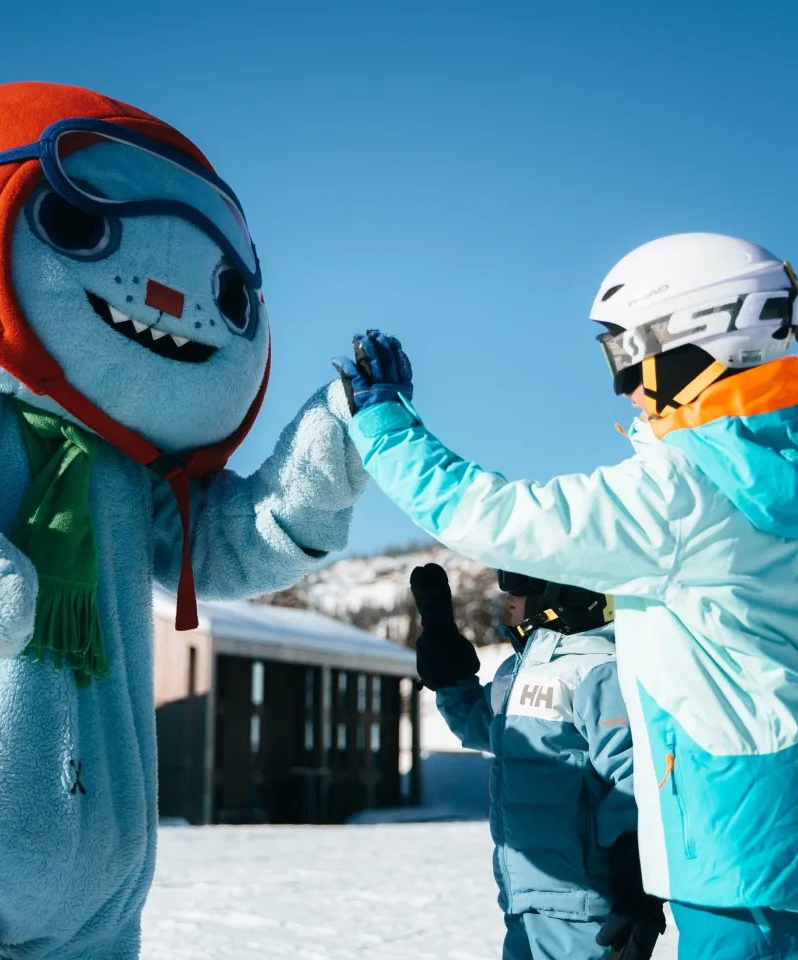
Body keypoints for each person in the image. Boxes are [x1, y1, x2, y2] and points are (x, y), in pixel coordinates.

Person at [334, 233, 798, 959]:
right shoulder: (771, 467)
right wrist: (456, 678)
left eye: (625, 355)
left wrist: (385, 424)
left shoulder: (688, 489)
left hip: (736, 851)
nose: (623, 387)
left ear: (697, 337)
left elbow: (496, 519)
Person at [411, 562, 664, 960]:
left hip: (585, 906)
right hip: (524, 896)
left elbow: (633, 778)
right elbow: (477, 723)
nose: (507, 597)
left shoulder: (598, 670)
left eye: (520, 586)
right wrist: (441, 642)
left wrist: (635, 881)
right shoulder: (518, 671)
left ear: (567, 592)